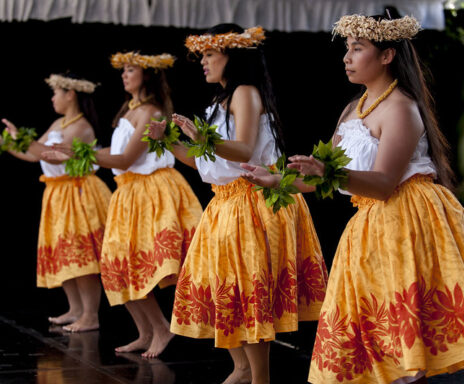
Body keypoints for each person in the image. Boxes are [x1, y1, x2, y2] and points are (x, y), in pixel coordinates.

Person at [242, 13, 464, 384]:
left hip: (409, 220)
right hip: (370, 226)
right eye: (347, 50)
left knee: (403, 334)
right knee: (368, 333)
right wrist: (276, 180)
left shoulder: (401, 107)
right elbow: (323, 177)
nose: (346, 58)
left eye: (357, 49)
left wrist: (328, 173)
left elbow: (384, 182)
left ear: (386, 56)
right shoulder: (353, 110)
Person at [148, 24, 328, 384]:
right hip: (225, 203)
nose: (203, 62)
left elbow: (243, 149)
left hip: (253, 201)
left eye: (210, 54)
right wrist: (168, 142)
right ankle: (242, 369)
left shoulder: (245, 92)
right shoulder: (219, 101)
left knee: (248, 290)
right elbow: (205, 162)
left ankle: (260, 377)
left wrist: (203, 138)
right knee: (222, 288)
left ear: (233, 56)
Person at [46, 51, 203, 358]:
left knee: (136, 266)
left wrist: (79, 153)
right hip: (128, 193)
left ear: (147, 75)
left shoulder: (151, 112)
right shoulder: (130, 109)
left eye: (130, 70)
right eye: (124, 70)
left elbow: (126, 159)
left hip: (150, 194)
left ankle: (161, 329)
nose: (124, 75)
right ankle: (145, 332)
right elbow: (116, 155)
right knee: (117, 268)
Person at [2, 73, 112, 332]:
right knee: (64, 253)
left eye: (55, 93)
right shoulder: (58, 123)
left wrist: (23, 139)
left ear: (70, 94)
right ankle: (75, 309)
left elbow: (52, 157)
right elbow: (34, 155)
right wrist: (8, 145)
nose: (52, 98)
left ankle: (90, 315)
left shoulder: (81, 127)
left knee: (81, 256)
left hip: (77, 194)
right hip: (57, 196)